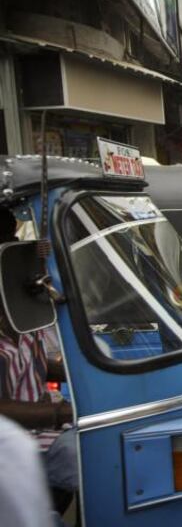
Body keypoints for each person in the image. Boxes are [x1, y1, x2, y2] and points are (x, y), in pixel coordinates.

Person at [0, 209, 77, 512]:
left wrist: (85, 374)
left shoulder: (22, 315)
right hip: (21, 445)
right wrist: (61, 412)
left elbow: (39, 365)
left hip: (49, 428)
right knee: (91, 457)